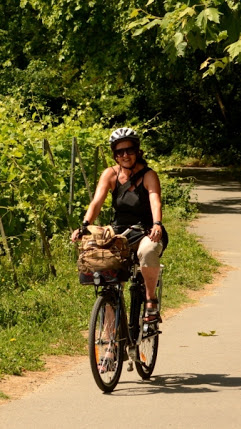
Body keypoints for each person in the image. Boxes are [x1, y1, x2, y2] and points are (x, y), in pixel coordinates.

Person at [72, 127, 167, 323]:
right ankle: (110, 337)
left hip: (146, 230)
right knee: (105, 273)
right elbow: (96, 202)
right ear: (114, 155)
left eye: (129, 150)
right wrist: (84, 225)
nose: (125, 155)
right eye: (120, 152)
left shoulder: (149, 175)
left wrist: (157, 224)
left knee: (148, 251)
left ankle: (151, 301)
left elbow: (154, 200)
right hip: (120, 231)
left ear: (138, 151)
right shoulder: (110, 174)